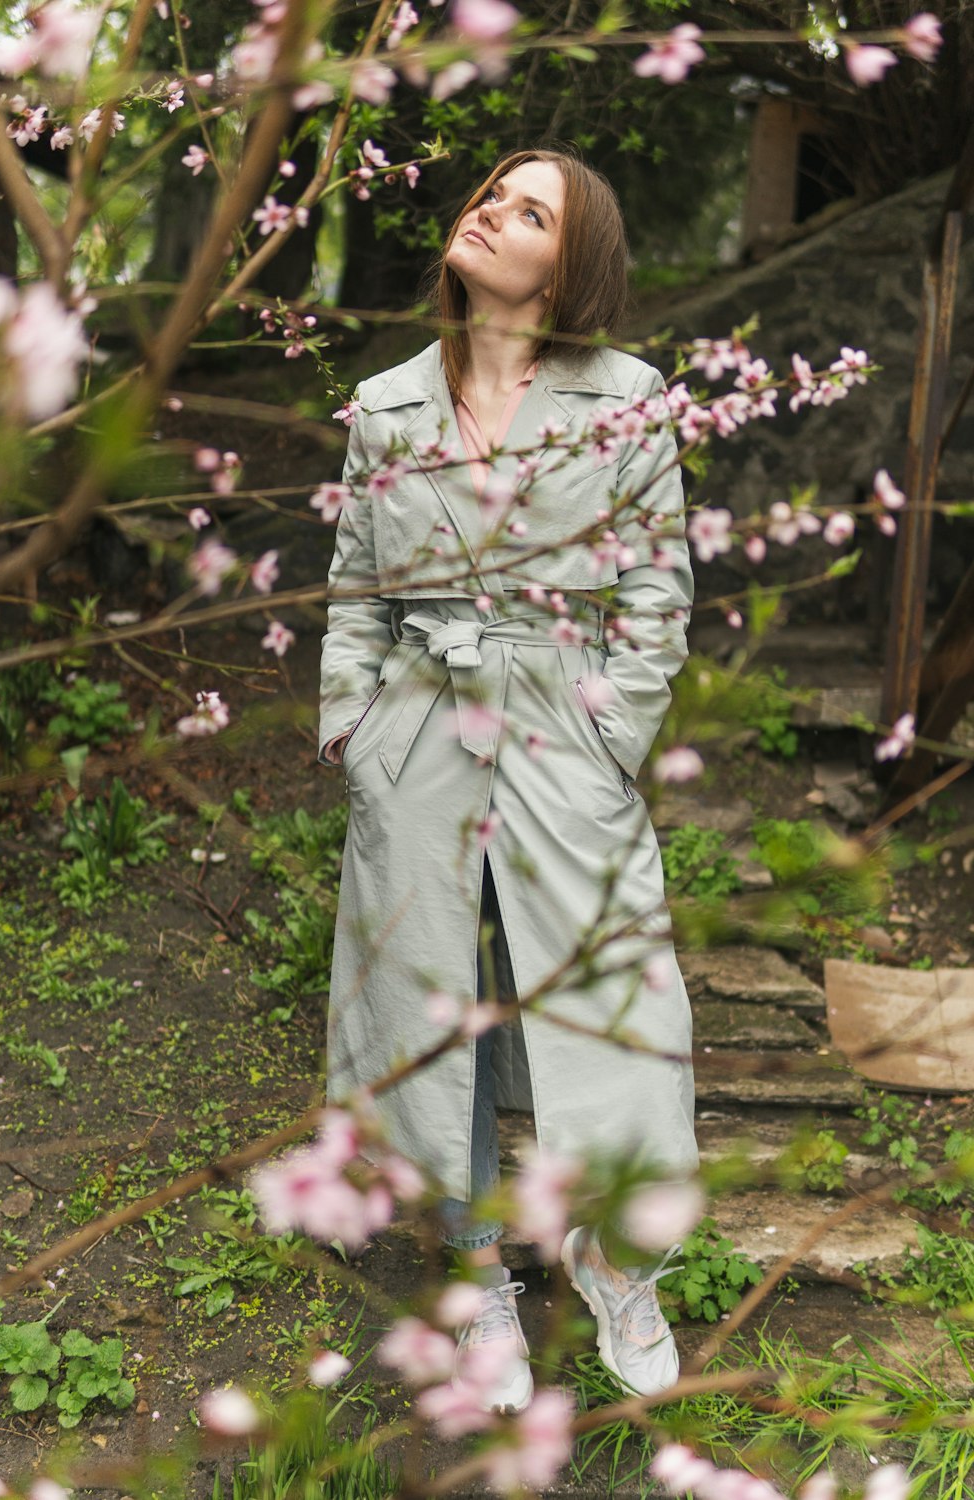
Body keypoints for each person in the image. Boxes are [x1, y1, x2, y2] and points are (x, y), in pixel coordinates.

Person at [318, 146, 698, 1416]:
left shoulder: (630, 398)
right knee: (433, 1007)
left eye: (527, 211)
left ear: (568, 263)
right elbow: (356, 593)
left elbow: (656, 594)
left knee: (614, 1000)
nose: (490, 215)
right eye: (490, 195)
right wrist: (352, 734)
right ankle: (475, 1265)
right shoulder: (384, 405)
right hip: (419, 729)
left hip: (559, 724)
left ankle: (611, 1253)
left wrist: (609, 744)